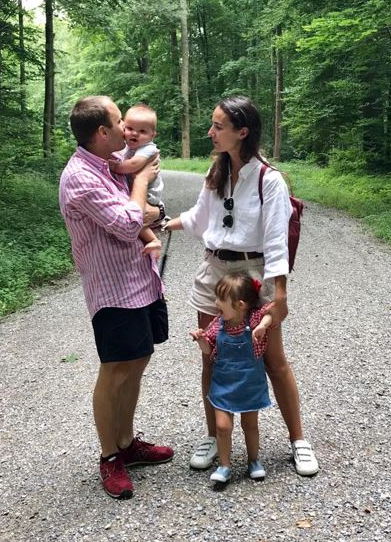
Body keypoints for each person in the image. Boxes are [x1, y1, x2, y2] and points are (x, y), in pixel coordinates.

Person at [164, 95, 319, 476]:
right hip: (214, 271)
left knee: (272, 359)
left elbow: (276, 242)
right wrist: (164, 221)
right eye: (212, 125)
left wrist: (278, 293)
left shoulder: (271, 180)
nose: (210, 132)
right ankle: (215, 438)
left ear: (242, 132)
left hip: (253, 276)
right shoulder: (215, 172)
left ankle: (298, 440)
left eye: (218, 126)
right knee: (212, 357)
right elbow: (201, 220)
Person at [59, 95, 174, 500]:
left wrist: (145, 210)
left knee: (139, 360)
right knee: (115, 370)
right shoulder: (81, 178)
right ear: (103, 132)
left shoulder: (109, 165)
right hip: (113, 291)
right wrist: (141, 184)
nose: (127, 126)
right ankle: (109, 457)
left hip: (141, 279)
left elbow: (151, 215)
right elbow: (129, 222)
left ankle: (127, 444)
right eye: (118, 120)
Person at [190, 271, 273, 483]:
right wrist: (200, 339)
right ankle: (224, 465)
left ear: (240, 304)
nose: (216, 303)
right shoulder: (218, 325)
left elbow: (269, 312)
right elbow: (209, 350)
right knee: (223, 426)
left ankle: (254, 460)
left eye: (221, 299)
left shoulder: (253, 320)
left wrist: (263, 326)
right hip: (223, 384)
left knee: (250, 425)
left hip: (250, 384)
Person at [108, 104, 167, 255]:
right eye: (129, 128)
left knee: (137, 217)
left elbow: (134, 165)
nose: (134, 134)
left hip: (149, 194)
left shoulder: (148, 149)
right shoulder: (127, 147)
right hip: (139, 189)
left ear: (152, 135)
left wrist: (115, 167)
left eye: (142, 131)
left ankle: (153, 241)